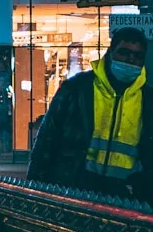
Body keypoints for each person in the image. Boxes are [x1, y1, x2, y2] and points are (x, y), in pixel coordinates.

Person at [28, 29, 153, 198]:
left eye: (137, 56)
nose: (131, 60)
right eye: (124, 52)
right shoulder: (77, 90)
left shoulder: (148, 100)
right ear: (109, 53)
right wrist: (35, 189)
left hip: (124, 195)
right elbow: (47, 141)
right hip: (75, 189)